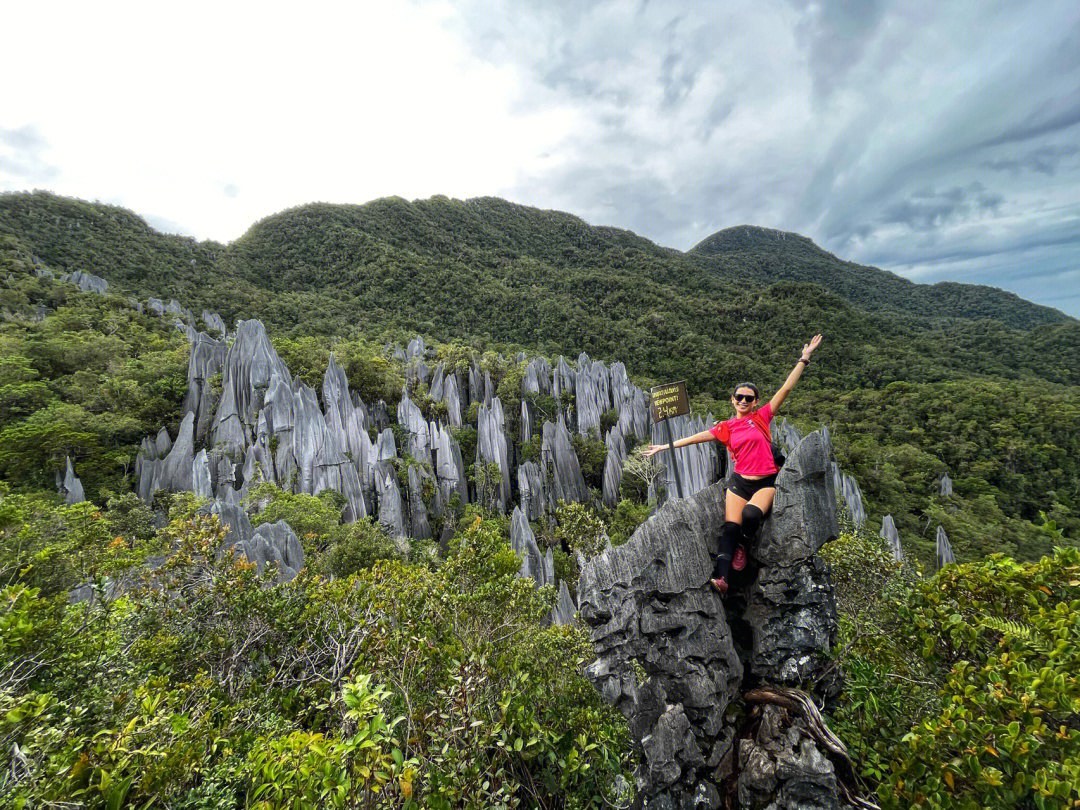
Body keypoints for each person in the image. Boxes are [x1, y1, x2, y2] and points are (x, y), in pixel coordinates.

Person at [644, 334, 823, 594]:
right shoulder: (725, 428)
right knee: (729, 527)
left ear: (755, 403)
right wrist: (664, 446)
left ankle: (744, 544)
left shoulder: (762, 417)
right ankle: (722, 579)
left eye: (748, 398)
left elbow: (785, 389)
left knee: (750, 516)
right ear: (732, 399)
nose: (743, 401)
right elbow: (697, 438)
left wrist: (804, 359)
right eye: (739, 397)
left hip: (765, 482)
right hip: (739, 482)